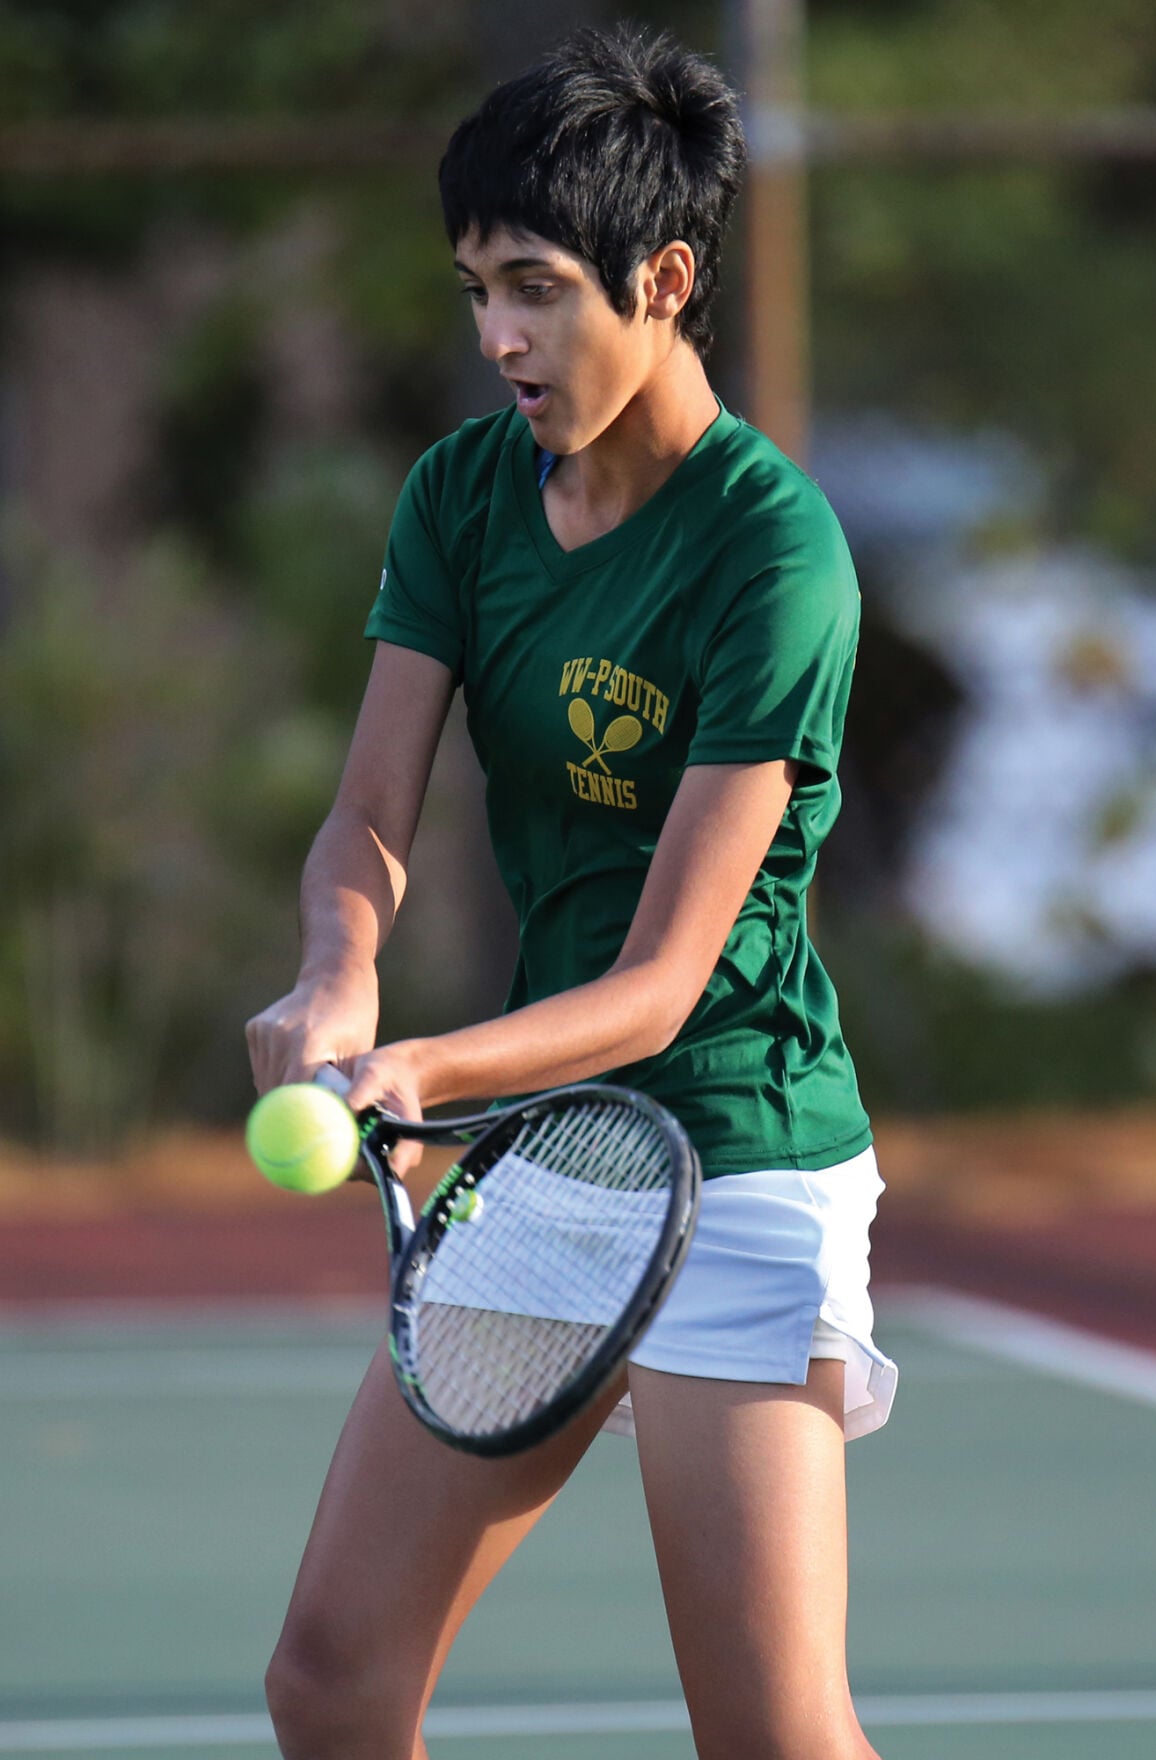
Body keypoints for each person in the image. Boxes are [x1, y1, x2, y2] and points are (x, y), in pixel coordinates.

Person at [247, 25, 897, 1760]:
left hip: (740, 1151)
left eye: (534, 290)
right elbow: (368, 819)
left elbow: (667, 975)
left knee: (768, 1727)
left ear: (664, 279)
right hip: (557, 1155)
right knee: (329, 1676)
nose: (498, 340)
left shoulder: (774, 556)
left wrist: (418, 1075)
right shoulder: (462, 498)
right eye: (475, 290)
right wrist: (336, 975)